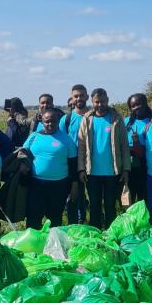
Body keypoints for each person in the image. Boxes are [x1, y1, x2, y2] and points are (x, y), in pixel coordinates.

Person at [77, 88, 130, 230]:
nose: (100, 104)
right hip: (91, 172)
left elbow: (124, 145)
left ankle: (110, 233)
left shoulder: (117, 118)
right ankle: (95, 233)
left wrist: (126, 169)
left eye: (103, 101)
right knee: (94, 205)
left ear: (108, 100)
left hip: (113, 172)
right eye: (97, 102)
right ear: (92, 102)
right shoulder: (87, 119)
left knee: (110, 205)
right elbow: (81, 145)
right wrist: (81, 168)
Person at [22, 108, 77, 228]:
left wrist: (74, 184)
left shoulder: (67, 140)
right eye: (47, 121)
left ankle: (53, 245)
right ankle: (33, 245)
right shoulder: (34, 136)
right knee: (33, 218)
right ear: (42, 121)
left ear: (58, 121)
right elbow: (23, 154)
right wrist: (23, 165)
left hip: (59, 186)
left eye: (53, 121)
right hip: (36, 184)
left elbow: (73, 164)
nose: (50, 124)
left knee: (55, 219)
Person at [59, 84, 90, 223]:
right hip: (73, 161)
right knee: (74, 194)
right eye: (76, 96)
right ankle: (74, 225)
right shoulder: (66, 119)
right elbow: (60, 140)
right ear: (72, 98)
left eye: (82, 95)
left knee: (93, 196)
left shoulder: (94, 116)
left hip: (93, 161)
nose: (79, 98)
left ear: (87, 97)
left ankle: (90, 222)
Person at [124, 93, 151, 205]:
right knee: (130, 194)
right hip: (130, 163)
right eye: (133, 106)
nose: (136, 107)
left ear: (145, 103)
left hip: (146, 162)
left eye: (139, 104)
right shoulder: (126, 122)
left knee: (144, 195)